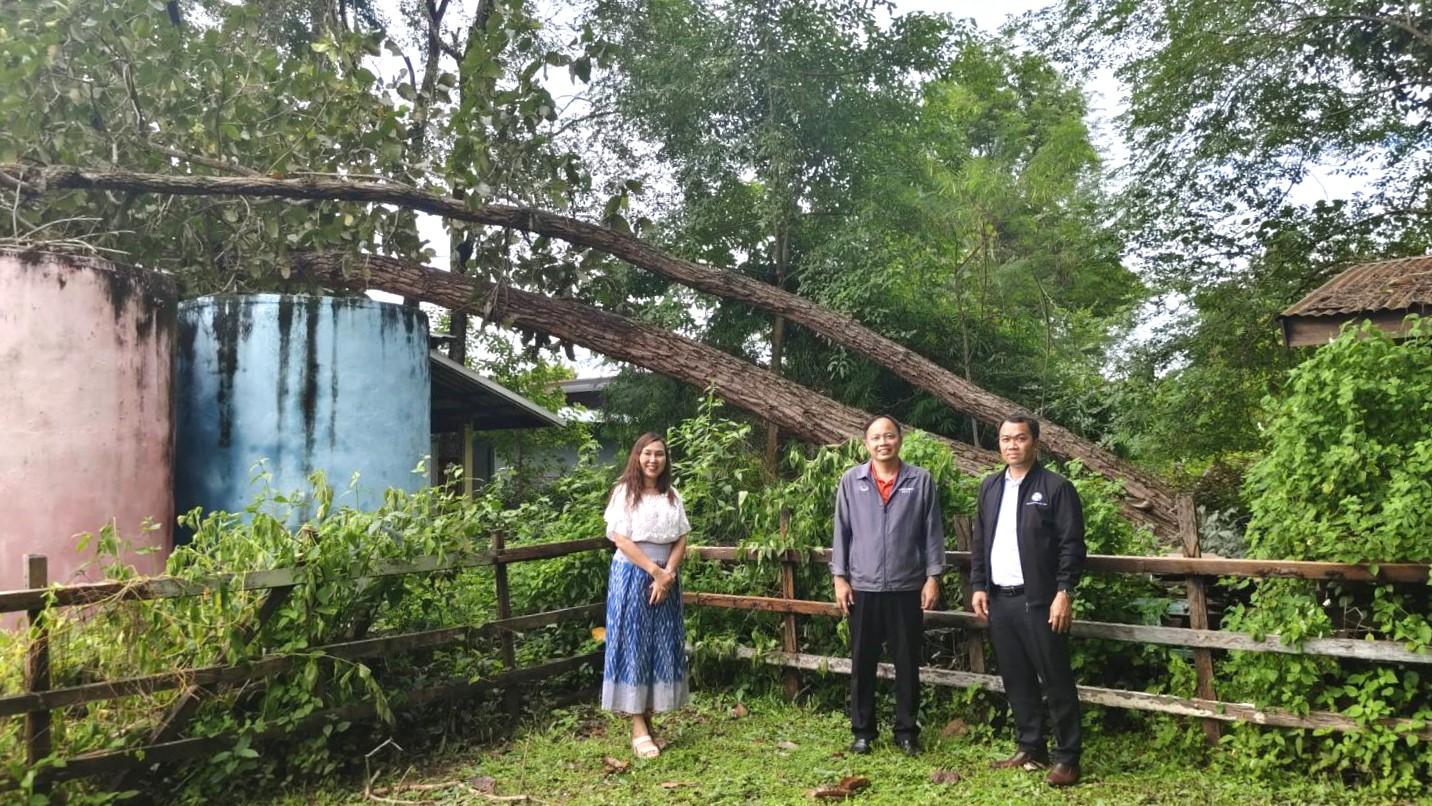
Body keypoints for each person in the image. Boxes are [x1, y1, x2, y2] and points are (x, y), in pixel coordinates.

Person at [970, 414, 1087, 787]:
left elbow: (1072, 546)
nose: (1012, 445)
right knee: (1016, 677)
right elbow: (979, 542)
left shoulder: (1056, 487)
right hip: (1000, 599)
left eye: (1020, 439)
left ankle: (1067, 758)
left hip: (1040, 600)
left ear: (1034, 442)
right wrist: (978, 585)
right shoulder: (990, 487)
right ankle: (1030, 746)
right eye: (1005, 439)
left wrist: (1063, 592)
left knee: (1056, 678)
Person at [831, 414, 945, 756]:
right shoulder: (852, 480)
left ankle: (907, 731)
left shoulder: (920, 480)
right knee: (862, 662)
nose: (884, 442)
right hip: (863, 587)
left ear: (900, 439)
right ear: (866, 443)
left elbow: (932, 533)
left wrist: (933, 577)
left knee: (908, 663)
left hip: (907, 586)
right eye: (876, 437)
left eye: (890, 436)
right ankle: (863, 731)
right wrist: (840, 577)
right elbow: (842, 531)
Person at [601, 432, 691, 759]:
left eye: (660, 455)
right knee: (634, 644)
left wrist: (668, 574)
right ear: (637, 456)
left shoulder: (671, 495)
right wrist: (655, 572)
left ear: (666, 460)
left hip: (666, 576)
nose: (653, 460)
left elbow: (681, 539)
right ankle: (638, 726)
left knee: (660, 644)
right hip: (633, 575)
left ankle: (650, 721)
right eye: (648, 454)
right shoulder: (624, 493)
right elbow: (621, 540)